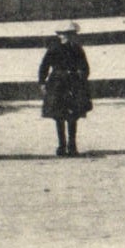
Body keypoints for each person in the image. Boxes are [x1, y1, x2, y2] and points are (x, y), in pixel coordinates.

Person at [38, 22, 92, 156]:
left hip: (73, 83)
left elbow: (85, 67)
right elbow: (44, 66)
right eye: (65, 34)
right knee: (59, 115)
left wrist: (81, 77)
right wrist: (42, 82)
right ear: (59, 35)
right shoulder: (53, 49)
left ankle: (72, 145)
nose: (67, 37)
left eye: (71, 34)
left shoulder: (77, 49)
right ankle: (61, 146)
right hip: (57, 84)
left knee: (73, 116)